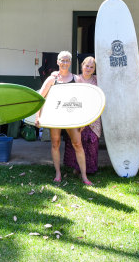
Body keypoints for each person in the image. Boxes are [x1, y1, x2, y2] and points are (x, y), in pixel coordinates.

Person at [35, 51, 92, 185]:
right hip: (55, 117)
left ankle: (84, 176)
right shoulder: (52, 79)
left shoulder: (76, 79)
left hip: (72, 118)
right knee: (55, 144)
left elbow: (81, 100)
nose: (65, 63)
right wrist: (38, 116)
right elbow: (40, 98)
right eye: (62, 60)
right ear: (58, 62)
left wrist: (83, 120)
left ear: (70, 62)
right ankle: (58, 173)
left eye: (67, 60)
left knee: (78, 144)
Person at [63, 56, 103, 176]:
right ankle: (77, 168)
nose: (89, 68)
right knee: (76, 141)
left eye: (92, 67)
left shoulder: (98, 79)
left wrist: (138, 78)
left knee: (91, 141)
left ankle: (89, 169)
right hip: (78, 114)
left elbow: (114, 79)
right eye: (87, 66)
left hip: (93, 116)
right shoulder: (75, 78)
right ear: (82, 65)